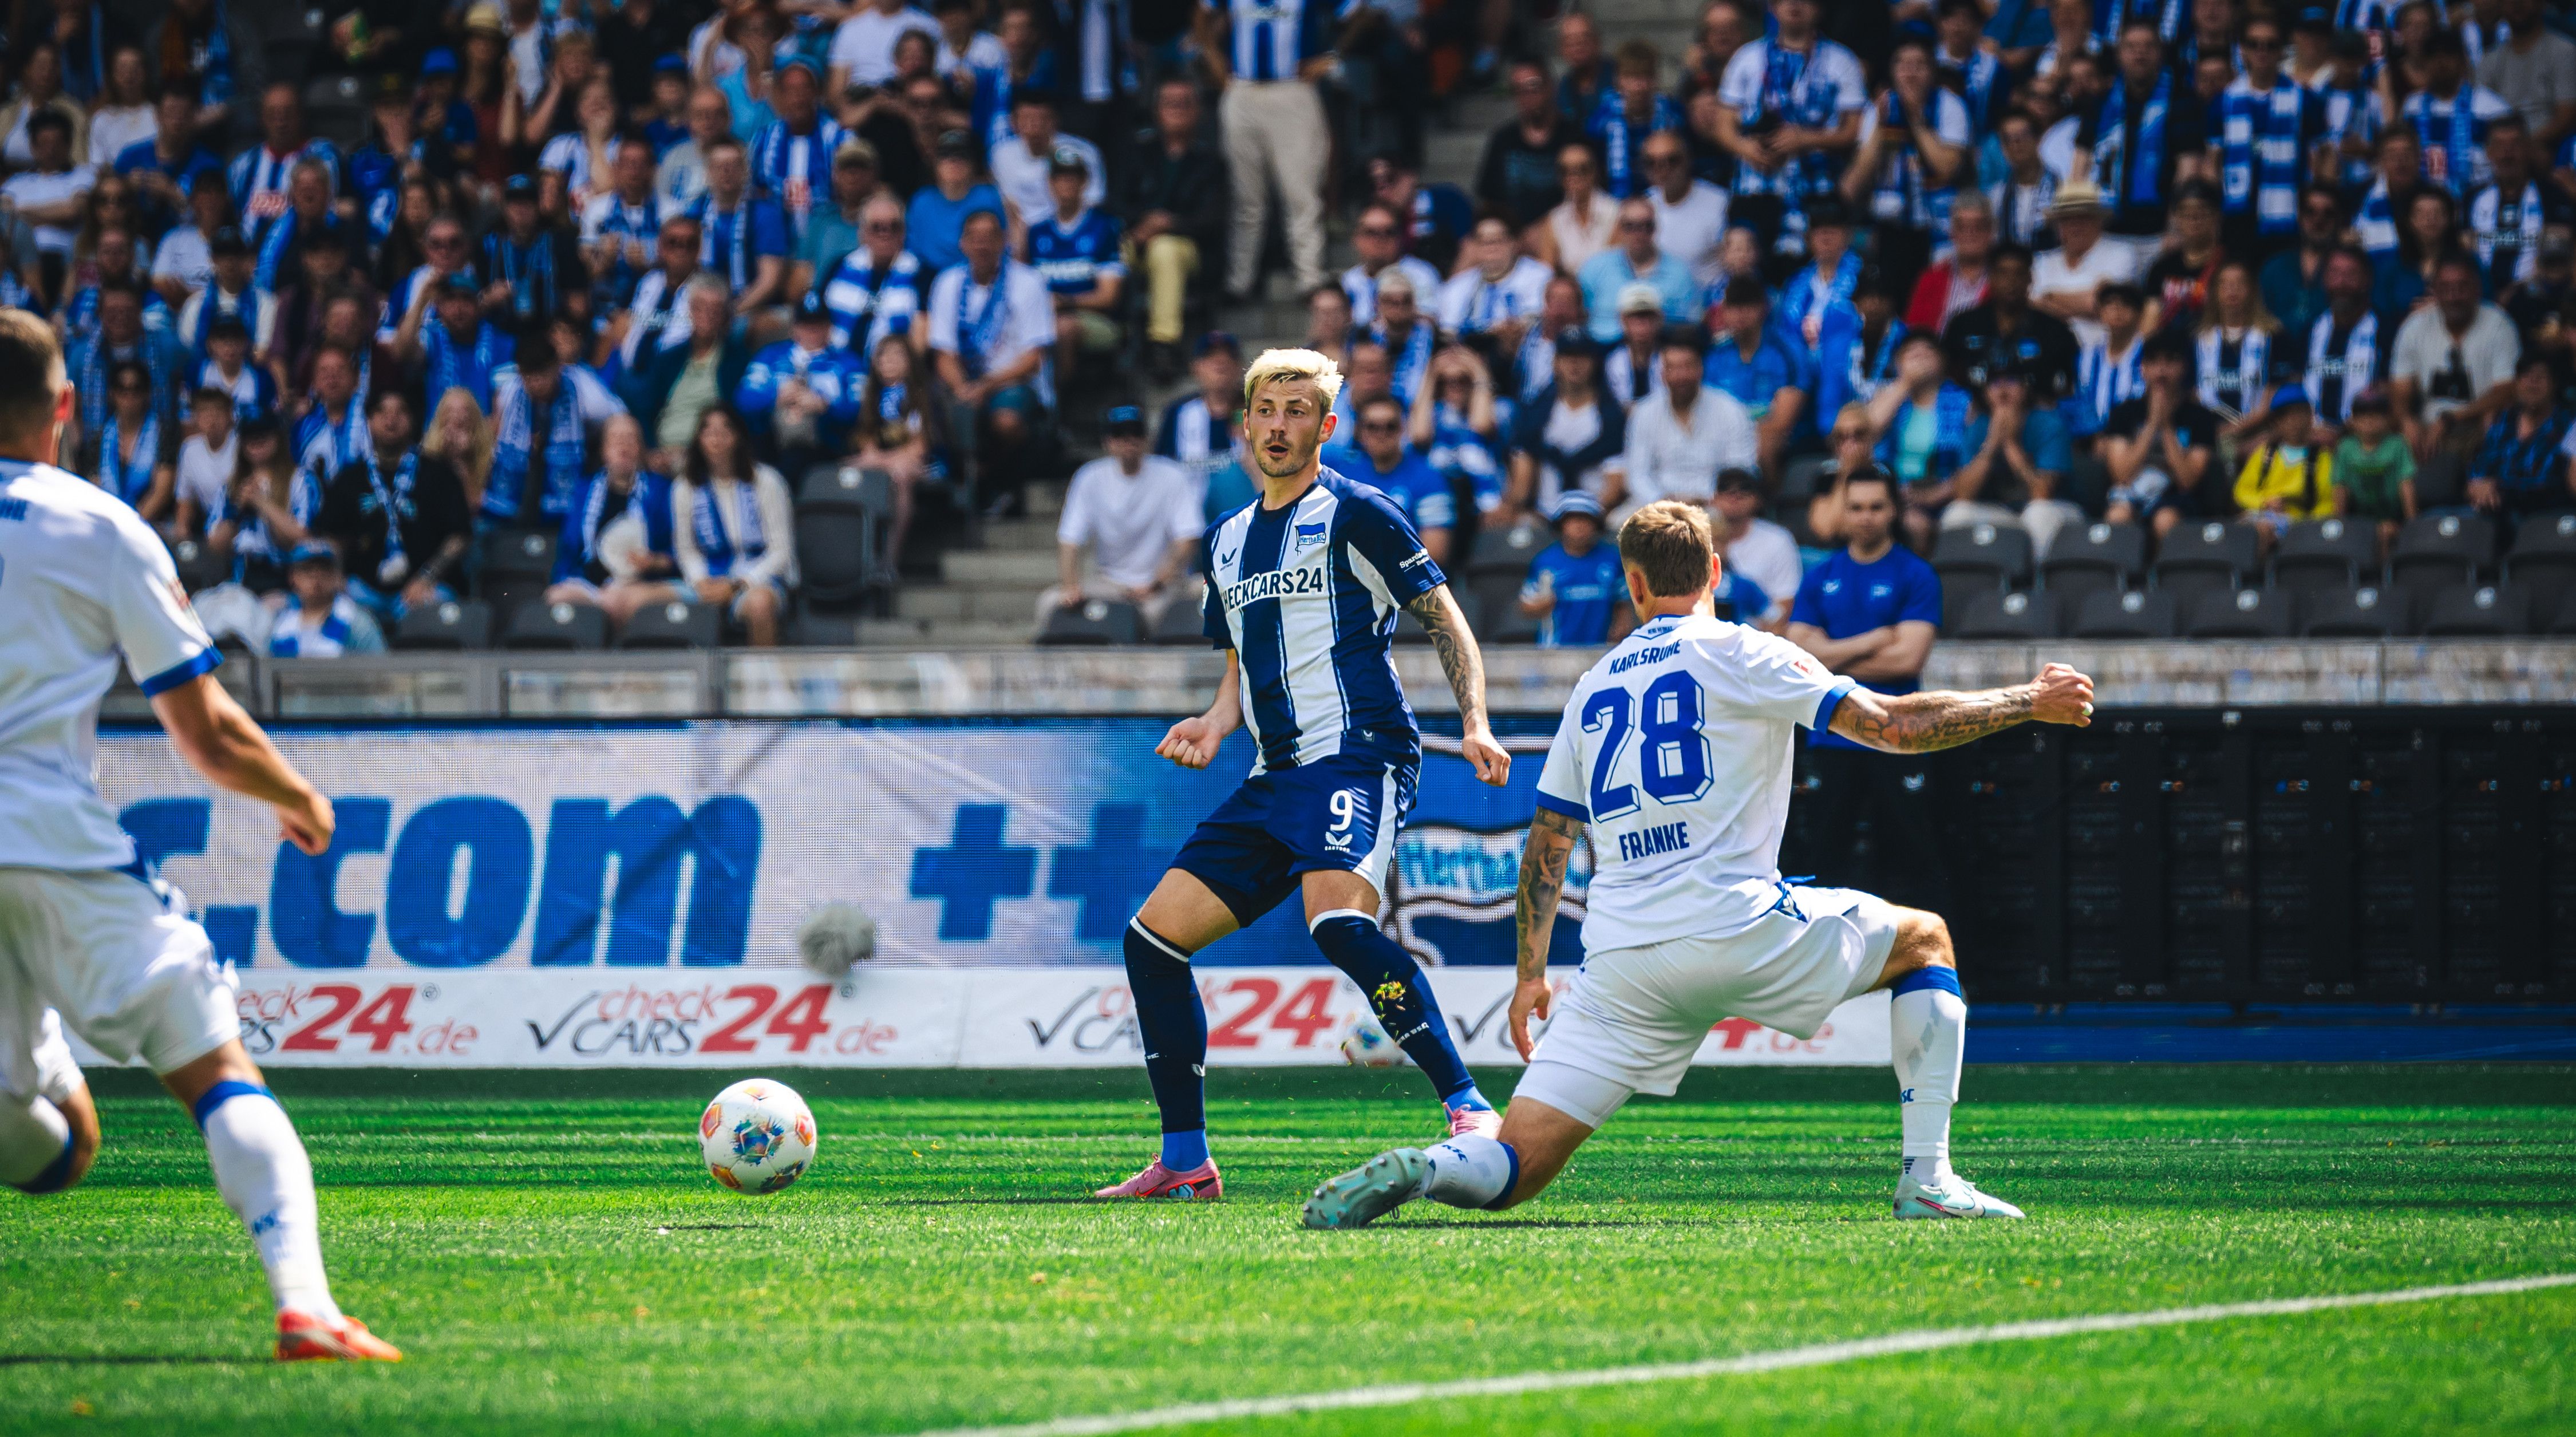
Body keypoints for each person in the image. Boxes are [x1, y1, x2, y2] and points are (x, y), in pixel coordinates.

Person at [1297, 498, 2097, 1231]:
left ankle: (1430, 1165)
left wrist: (1530, 974)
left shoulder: (1593, 683)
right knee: (1925, 939)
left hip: (1621, 959)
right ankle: (1930, 1176)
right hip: (1735, 924)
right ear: (1716, 572)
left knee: (1516, 1164)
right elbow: (1890, 726)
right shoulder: (1750, 652)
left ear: (1633, 585)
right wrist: (2027, 700)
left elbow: (1549, 843)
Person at [0, 310, 401, 1360]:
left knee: (56, 1150)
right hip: (52, 840)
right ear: (67, 406)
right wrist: (298, 797)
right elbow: (206, 729)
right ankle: (308, 1307)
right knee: (213, 1069)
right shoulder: (97, 527)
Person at [1096, 347, 1511, 1202]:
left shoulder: (1359, 513)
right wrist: (1218, 719)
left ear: (1326, 428)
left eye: (1298, 411)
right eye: (1266, 409)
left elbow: (1446, 620)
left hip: (1359, 754)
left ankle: (1468, 1106)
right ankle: (1185, 1160)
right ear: (1244, 424)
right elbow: (1241, 660)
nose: (1279, 425)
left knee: (1337, 926)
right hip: (1274, 773)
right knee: (1151, 941)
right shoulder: (1226, 540)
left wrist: (1474, 719)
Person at [1198, 0, 1336, 301]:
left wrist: (1333, 57)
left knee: (1301, 191)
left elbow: (1358, 11)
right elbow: (1202, 12)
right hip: (1242, 90)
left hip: (1292, 90)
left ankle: (1309, 278)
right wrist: (1211, 54)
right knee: (1244, 196)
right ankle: (1239, 282)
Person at [1712, 0, 1867, 253]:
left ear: (1818, 8)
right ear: (1773, 8)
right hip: (1757, 188)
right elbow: (1723, 125)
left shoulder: (1841, 61)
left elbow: (1854, 130)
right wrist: (1747, 147)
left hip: (1818, 188)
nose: (1795, 4)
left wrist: (1806, 140)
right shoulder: (1747, 58)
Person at [929, 208, 1054, 516]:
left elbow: (1033, 359)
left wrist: (986, 386)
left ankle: (992, 478)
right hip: (966, 381)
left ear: (1004, 242)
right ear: (962, 244)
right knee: (930, 406)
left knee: (1006, 422)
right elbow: (943, 352)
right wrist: (963, 389)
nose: (982, 245)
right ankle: (954, 483)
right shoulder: (948, 283)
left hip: (1013, 382)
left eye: (990, 238)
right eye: (975, 238)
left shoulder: (1028, 282)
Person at [1044, 404, 1202, 627]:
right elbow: (1069, 539)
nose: (1129, 441)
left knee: (1155, 615)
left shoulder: (1172, 475)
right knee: (1050, 604)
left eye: (1136, 433)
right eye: (1120, 435)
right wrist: (1071, 586)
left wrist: (1157, 583)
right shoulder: (1089, 477)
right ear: (1107, 441)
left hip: (1164, 586)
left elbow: (1188, 539)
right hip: (1110, 585)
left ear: (1147, 438)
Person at [2392, 253, 2523, 506]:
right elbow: (2400, 388)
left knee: (2495, 423)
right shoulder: (2416, 326)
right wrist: (2406, 421)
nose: (2454, 296)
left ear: (2477, 289)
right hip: (2428, 428)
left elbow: (2507, 390)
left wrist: (2452, 418)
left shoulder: (2498, 324)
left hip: (2479, 424)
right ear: (2434, 291)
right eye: (2446, 288)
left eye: (2462, 287)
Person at [1119, 77, 1227, 376]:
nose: (1176, 110)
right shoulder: (1139, 151)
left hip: (1187, 249)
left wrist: (1168, 224)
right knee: (1110, 251)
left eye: (1184, 104)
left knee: (1164, 251)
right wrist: (1140, 226)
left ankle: (1163, 345)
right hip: (1136, 239)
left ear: (1198, 112)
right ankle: (1118, 337)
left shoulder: (1210, 161)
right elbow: (1118, 202)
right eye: (1169, 103)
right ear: (1156, 110)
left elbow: (1213, 219)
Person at [2083, 19, 2210, 270]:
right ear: (2119, 54)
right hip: (2108, 231)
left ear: (2160, 53)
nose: (2139, 53)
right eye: (2131, 47)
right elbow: (2082, 164)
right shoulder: (2101, 103)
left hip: (2158, 232)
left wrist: (2175, 229)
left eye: (2148, 46)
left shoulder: (2182, 100)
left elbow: (2188, 169)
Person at [670, 405, 796, 645]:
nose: (716, 439)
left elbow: (781, 551)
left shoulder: (768, 481)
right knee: (637, 600)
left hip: (757, 580)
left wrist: (739, 584)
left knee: (760, 605)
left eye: (725, 431)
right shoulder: (685, 487)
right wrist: (701, 582)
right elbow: (685, 549)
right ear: (698, 440)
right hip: (705, 581)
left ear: (739, 437)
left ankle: (761, 680)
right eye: (708, 431)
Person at [489, 329, 631, 532]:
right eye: (529, 377)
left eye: (542, 375)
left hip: (581, 465)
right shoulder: (510, 392)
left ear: (557, 367)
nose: (536, 384)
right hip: (528, 469)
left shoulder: (584, 388)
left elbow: (622, 420)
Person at [1621, 326, 1757, 515]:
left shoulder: (1731, 409)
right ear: (1662, 373)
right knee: (1620, 524)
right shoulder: (1644, 412)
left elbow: (1740, 469)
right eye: (1672, 368)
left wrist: (1709, 498)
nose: (1680, 376)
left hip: (1715, 506)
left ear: (1701, 368)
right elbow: (1637, 475)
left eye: (1687, 367)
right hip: (1658, 506)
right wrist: (1662, 500)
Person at [2099, 332, 2222, 534]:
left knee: (2165, 520)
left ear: (2184, 367)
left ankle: (2165, 567)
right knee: (2117, 517)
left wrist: (2165, 426)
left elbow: (2188, 480)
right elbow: (2121, 474)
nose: (2161, 371)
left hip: (2177, 498)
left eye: (2170, 362)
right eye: (2154, 362)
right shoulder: (2124, 412)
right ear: (2143, 369)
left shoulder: (2200, 417)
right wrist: (2151, 425)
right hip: (2131, 492)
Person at [737, 290, 867, 475]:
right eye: (806, 324)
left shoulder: (849, 363)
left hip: (827, 446)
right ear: (794, 328)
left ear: (830, 328)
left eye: (818, 324)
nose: (812, 331)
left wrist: (825, 406)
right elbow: (743, 400)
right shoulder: (770, 356)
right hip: (769, 442)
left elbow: (861, 409)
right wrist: (777, 398)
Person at [624, 276, 752, 460]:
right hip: (666, 454)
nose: (707, 315)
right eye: (700, 307)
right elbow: (647, 409)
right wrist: (652, 451)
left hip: (712, 455)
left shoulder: (737, 360)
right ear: (690, 310)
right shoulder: (668, 359)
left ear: (725, 315)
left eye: (715, 309)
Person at [1026, 149, 1125, 382]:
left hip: (1095, 319)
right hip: (1041, 318)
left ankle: (1061, 401)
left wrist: (1065, 302)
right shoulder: (1036, 232)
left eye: (1072, 178)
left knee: (1064, 328)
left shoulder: (1105, 227)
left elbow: (1109, 296)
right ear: (1050, 184)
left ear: (1085, 182)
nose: (1066, 184)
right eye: (1060, 178)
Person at [852, 333, 946, 571]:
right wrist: (877, 460)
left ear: (910, 360)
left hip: (928, 466)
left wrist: (879, 461)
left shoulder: (922, 393)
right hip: (886, 464)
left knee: (901, 475)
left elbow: (919, 449)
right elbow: (867, 443)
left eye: (897, 354)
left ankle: (889, 560)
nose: (889, 360)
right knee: (845, 472)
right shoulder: (871, 395)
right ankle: (854, 558)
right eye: (883, 354)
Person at [1508, 331, 1627, 518]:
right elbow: (1522, 478)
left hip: (1595, 516)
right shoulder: (1536, 413)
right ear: (1555, 363)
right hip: (1544, 515)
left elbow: (1614, 486)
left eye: (1582, 358)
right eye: (1567, 357)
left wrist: (1585, 521)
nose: (1574, 364)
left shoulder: (1611, 416)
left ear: (1594, 363)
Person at [1942, 243, 2078, 400]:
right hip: (1973, 413)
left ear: (2030, 278)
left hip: (2036, 414)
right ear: (1991, 278)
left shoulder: (2054, 329)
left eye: (2018, 274)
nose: (2011, 281)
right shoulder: (1963, 324)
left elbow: (2068, 387)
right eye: (2003, 273)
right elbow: (1946, 377)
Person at [1704, 283, 1811, 477]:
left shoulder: (1788, 352)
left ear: (1763, 309)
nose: (1740, 315)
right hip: (1726, 437)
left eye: (1748, 306)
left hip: (1777, 439)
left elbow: (1782, 422)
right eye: (1734, 307)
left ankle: (1765, 506)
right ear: (1724, 312)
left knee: (1765, 444)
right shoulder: (1715, 356)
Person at [1477, 57, 1584, 231]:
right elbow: (1490, 202)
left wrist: (1542, 232)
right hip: (1514, 238)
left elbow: (1589, 199)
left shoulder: (1574, 137)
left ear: (1551, 87)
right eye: (1519, 90)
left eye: (1533, 86)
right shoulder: (1503, 139)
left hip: (1565, 235)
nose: (1527, 96)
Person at [2466, 357, 2576, 524]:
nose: (2532, 383)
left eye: (2541, 377)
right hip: (2492, 511)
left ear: (2554, 385)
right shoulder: (2503, 421)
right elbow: (2479, 469)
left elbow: (2551, 484)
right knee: (2440, 520)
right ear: (2517, 384)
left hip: (2544, 517)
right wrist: (2477, 486)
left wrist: (2498, 486)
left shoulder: (2567, 425)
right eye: (2526, 376)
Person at [690, 137, 789, 319]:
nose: (726, 172)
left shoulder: (765, 214)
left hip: (750, 309)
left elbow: (769, 281)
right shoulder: (695, 211)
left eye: (734, 165)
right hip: (702, 307)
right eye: (719, 166)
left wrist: (733, 314)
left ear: (746, 171)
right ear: (708, 173)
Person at [2232, 385, 2340, 539]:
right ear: (2276, 423)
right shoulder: (2265, 454)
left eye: (2299, 414)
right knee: (2247, 529)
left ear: (2310, 417)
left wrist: (2306, 521)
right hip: (2263, 517)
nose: (2294, 422)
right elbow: (2242, 491)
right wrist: (2264, 502)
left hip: (2301, 524)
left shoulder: (2322, 457)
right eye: (2286, 417)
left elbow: (2328, 502)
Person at [83, 357, 173, 523]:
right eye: (122, 390)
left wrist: (133, 526)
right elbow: (94, 487)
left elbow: (162, 492)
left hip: (151, 525)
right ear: (112, 394)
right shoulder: (100, 437)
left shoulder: (163, 433)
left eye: (136, 390)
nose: (129, 397)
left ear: (147, 394)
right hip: (108, 524)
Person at [264, 543, 386, 657]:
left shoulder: (358, 622)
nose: (316, 576)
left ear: (337, 575)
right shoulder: (279, 622)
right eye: (307, 569)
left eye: (324, 568)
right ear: (293, 577)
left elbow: (379, 671)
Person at [2334, 389, 2417, 546]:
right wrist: (2340, 525)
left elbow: (2406, 484)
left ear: (2388, 419)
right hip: (2356, 519)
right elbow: (2340, 487)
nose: (2369, 420)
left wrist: (2412, 525)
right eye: (2363, 414)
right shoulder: (2345, 447)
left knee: (2385, 533)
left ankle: (2384, 571)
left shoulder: (2397, 444)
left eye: (2376, 414)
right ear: (2352, 420)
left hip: (2393, 520)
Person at [1907, 191, 1993, 335]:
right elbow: (1914, 331)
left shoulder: (2004, 279)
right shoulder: (1930, 278)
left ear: (1991, 231)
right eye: (1962, 227)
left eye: (1978, 226)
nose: (1970, 233)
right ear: (1952, 232)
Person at [2071, 282, 2147, 441]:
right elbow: (2079, 400)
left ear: (2139, 313)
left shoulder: (2149, 356)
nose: (2117, 310)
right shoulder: (2087, 357)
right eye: (2110, 304)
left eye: (2126, 304)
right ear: (2100, 313)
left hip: (2133, 440)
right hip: (2089, 442)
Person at [1532, 143, 1617, 277]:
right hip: (1571, 293)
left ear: (1595, 172)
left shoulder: (1615, 213)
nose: (1573, 176)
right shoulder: (1555, 219)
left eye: (1582, 169)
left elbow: (1616, 266)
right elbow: (1545, 272)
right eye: (1565, 171)